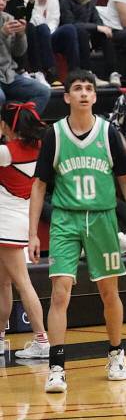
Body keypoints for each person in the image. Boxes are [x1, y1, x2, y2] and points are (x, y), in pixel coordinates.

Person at [28, 70, 126, 393]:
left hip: (102, 218)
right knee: (60, 292)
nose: (83, 93)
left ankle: (116, 353)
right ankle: (56, 367)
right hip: (66, 219)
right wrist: (32, 232)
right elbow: (38, 186)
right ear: (66, 97)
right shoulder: (55, 134)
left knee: (109, 293)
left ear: (95, 96)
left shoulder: (108, 133)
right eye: (77, 88)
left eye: (88, 89)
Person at [0, 102, 50, 360]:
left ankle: (42, 340)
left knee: (21, 283)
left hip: (6, 222)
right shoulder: (38, 147)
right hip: (20, 217)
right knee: (4, 283)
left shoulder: (6, 152)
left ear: (7, 125)